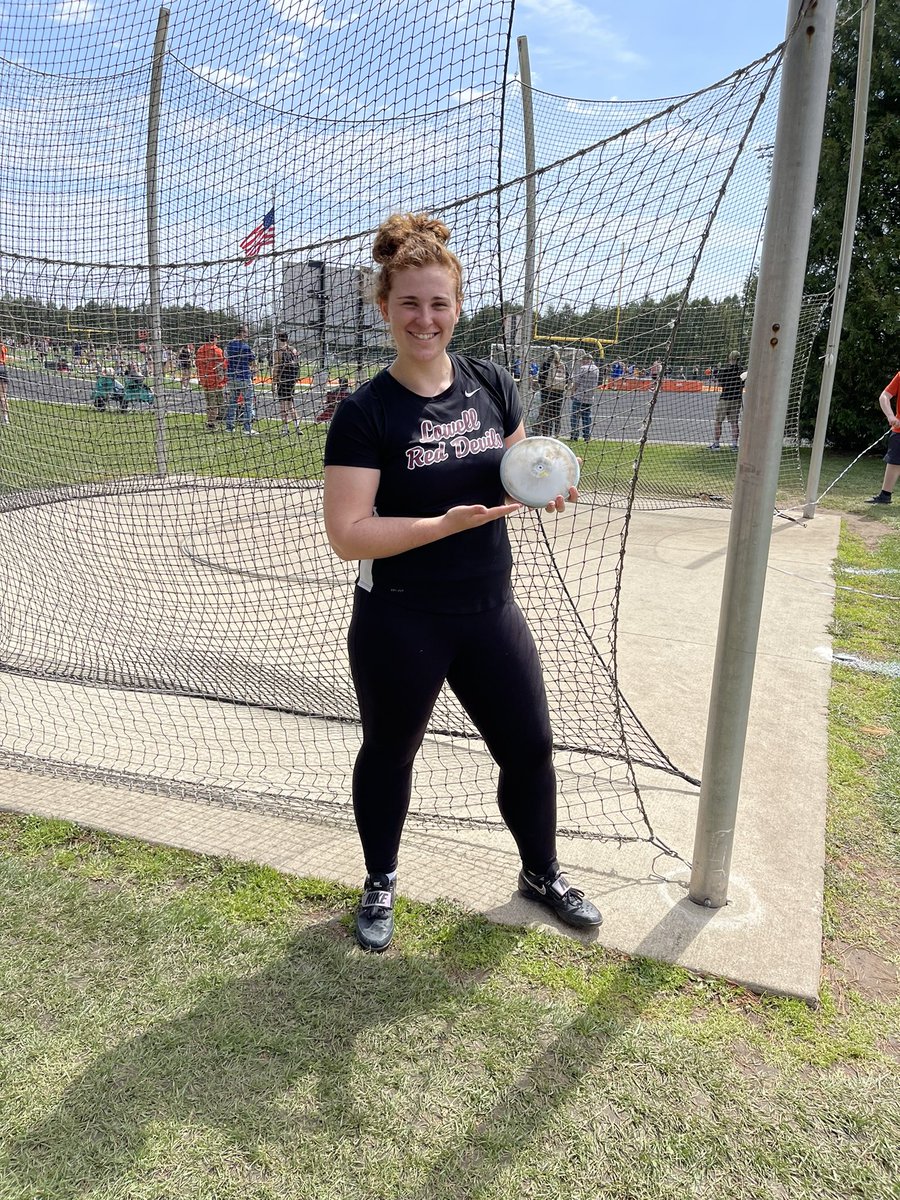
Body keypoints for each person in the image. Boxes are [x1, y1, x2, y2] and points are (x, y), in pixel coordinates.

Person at [322, 211, 602, 953]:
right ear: (384, 307)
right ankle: (380, 879)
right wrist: (437, 527)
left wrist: (546, 479)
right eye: (409, 303)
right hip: (402, 617)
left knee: (531, 746)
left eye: (439, 303)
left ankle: (540, 873)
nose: (425, 318)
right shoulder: (365, 413)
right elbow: (348, 534)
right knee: (391, 750)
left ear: (457, 306)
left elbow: (516, 470)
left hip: (489, 609)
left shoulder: (492, 383)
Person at [865, 372, 900, 505]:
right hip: (898, 431)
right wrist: (891, 416)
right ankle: (885, 495)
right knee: (894, 462)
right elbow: (884, 396)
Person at [224, 325, 257, 435]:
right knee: (248, 403)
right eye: (245, 332)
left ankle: (229, 426)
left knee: (232, 402)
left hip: (232, 377)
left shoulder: (229, 345)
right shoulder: (245, 346)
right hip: (244, 377)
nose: (247, 335)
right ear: (240, 333)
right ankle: (247, 428)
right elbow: (252, 361)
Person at [710, 350, 743, 450]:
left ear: (730, 359)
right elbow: (743, 384)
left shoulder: (725, 371)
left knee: (718, 421)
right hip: (736, 398)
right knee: (734, 422)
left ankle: (716, 444)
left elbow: (720, 384)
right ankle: (734, 445)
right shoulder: (741, 371)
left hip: (725, 398)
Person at [271, 331, 302, 436]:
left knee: (283, 405)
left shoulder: (278, 351)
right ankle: (297, 427)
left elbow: (276, 367)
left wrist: (273, 382)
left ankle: (285, 429)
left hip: (282, 379)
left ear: (279, 339)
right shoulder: (293, 349)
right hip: (291, 380)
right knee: (291, 404)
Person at [534, 347, 569, 438]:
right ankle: (557, 433)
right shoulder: (563, 364)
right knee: (557, 414)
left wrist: (541, 386)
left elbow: (541, 377)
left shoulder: (547, 363)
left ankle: (547, 433)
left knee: (546, 413)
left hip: (547, 390)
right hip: (559, 392)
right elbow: (568, 378)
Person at [195, 333, 226, 430]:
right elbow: (221, 366)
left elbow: (197, 364)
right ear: (213, 339)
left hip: (204, 379)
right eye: (216, 338)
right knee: (216, 402)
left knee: (209, 402)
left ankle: (211, 420)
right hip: (215, 380)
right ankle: (212, 422)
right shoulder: (217, 351)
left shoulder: (200, 350)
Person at [569, 352, 599, 442]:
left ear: (586, 360)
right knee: (587, 418)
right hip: (590, 397)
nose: (581, 362)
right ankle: (587, 436)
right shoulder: (596, 369)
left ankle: (574, 435)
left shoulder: (583, 368)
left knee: (575, 417)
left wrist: (572, 392)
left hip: (579, 396)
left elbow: (577, 382)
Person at [0, 336, 9, 426]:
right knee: (3, 396)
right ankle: (5, 418)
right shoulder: (3, 346)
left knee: (2, 396)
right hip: (3, 368)